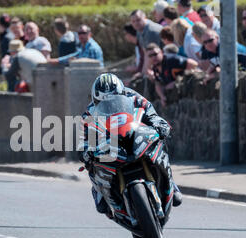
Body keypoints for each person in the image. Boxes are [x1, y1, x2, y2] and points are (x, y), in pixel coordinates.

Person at [78, 73, 183, 218]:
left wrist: (159, 124)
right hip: (109, 144)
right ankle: (100, 192)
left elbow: (152, 114)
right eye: (103, 101)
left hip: (135, 133)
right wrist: (85, 151)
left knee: (160, 142)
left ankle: (171, 183)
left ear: (121, 92)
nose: (109, 104)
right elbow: (84, 139)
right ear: (95, 100)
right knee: (91, 164)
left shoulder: (135, 97)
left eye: (113, 99)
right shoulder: (89, 113)